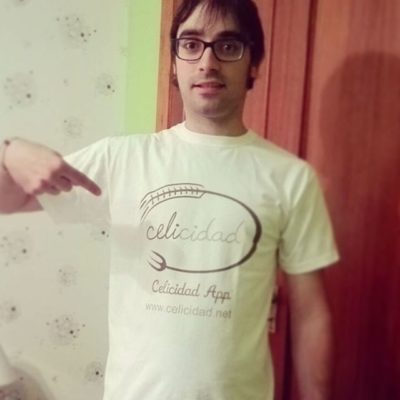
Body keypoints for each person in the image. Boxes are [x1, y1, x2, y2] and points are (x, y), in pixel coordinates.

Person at [0, 0, 339, 399]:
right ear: (174, 63)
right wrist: (9, 151)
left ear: (254, 64)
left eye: (228, 46)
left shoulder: (291, 179)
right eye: (191, 44)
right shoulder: (121, 159)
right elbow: (9, 201)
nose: (208, 62)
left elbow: (311, 315)